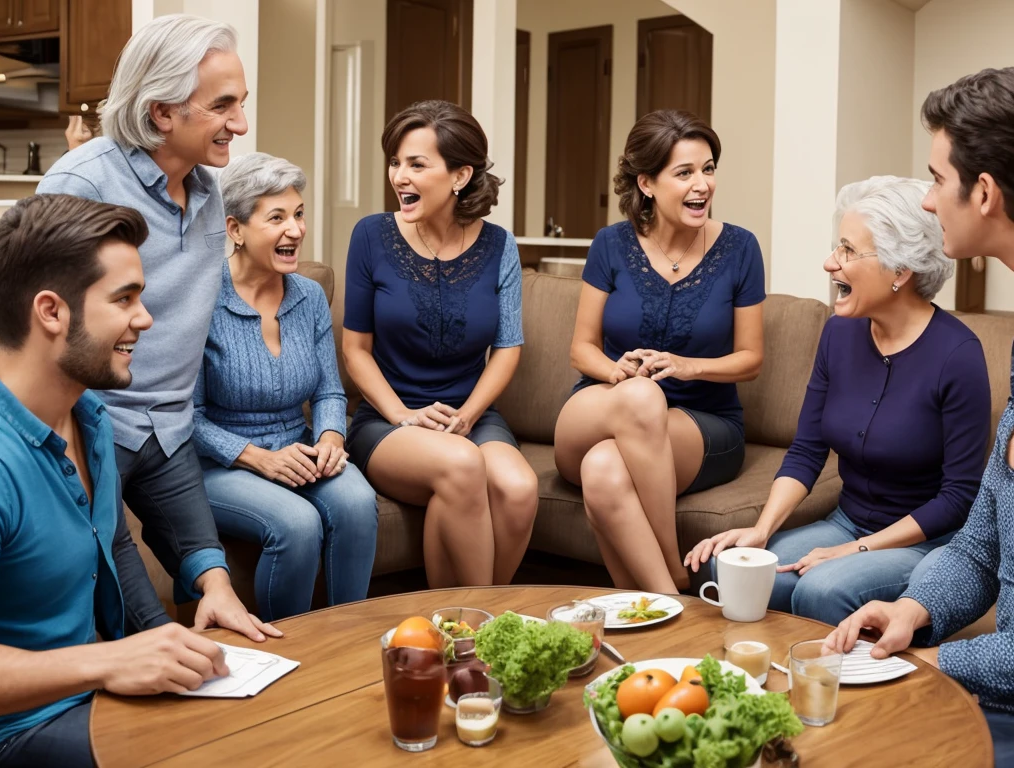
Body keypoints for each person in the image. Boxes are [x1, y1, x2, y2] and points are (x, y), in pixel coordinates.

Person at [36, 15, 278, 642]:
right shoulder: (82, 183)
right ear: (161, 111)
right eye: (222, 106)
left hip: (170, 427)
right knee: (141, 625)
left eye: (241, 104)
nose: (241, 125)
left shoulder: (210, 193)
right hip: (94, 423)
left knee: (216, 583)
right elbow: (35, 320)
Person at [684, 176, 991, 625]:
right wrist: (761, 530)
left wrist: (853, 550)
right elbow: (807, 450)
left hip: (923, 541)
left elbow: (958, 498)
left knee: (820, 591)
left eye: (847, 250)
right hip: (845, 520)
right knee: (730, 569)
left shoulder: (959, 356)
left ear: (900, 271)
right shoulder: (839, 332)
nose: (830, 263)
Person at [0, 194, 230, 768]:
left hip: (87, 700)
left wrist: (166, 642)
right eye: (125, 298)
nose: (145, 318)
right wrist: (109, 662)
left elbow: (114, 543)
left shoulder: (91, 417)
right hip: (13, 734)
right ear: (52, 312)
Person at [823, 67, 1014, 765]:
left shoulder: (957, 350)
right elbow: (980, 542)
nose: (928, 203)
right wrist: (912, 612)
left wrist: (932, 666)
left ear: (984, 192)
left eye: (936, 179)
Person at [553, 110, 765, 594]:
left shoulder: (740, 249)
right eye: (685, 173)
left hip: (702, 421)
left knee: (603, 469)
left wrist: (689, 366)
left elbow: (751, 359)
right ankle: (674, 568)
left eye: (708, 169)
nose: (702, 185)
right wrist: (614, 371)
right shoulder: (610, 243)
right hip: (603, 405)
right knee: (642, 396)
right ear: (647, 183)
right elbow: (581, 349)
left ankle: (660, 605)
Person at [342, 100, 537, 588]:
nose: (399, 177)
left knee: (519, 488)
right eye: (395, 162)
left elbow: (507, 348)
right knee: (462, 464)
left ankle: (453, 625)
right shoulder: (371, 235)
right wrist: (403, 416)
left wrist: (468, 414)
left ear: (459, 175)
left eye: (416, 164)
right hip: (389, 419)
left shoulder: (499, 246)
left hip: (467, 414)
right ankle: (486, 628)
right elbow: (355, 351)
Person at [192, 153, 378, 620]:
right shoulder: (201, 297)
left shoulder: (309, 296)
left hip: (299, 448)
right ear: (234, 229)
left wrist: (331, 437)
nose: (295, 229)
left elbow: (330, 393)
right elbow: (183, 417)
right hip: (219, 462)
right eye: (276, 217)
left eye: (298, 214)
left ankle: (349, 642)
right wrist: (257, 458)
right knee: (297, 523)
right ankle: (291, 657)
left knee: (357, 501)